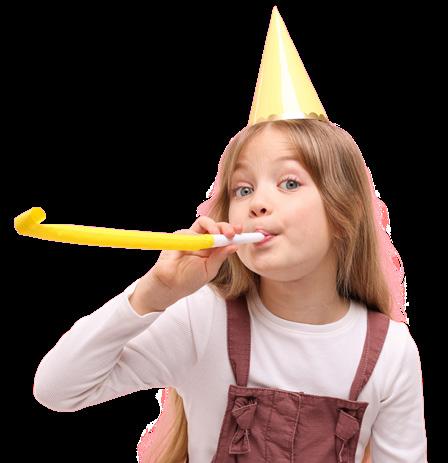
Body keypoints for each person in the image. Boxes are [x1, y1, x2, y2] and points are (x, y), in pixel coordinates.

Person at [32, 6, 427, 463]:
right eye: (243, 189)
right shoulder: (203, 321)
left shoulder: (390, 352)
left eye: (289, 182)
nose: (257, 203)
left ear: (344, 212)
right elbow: (58, 390)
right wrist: (153, 293)